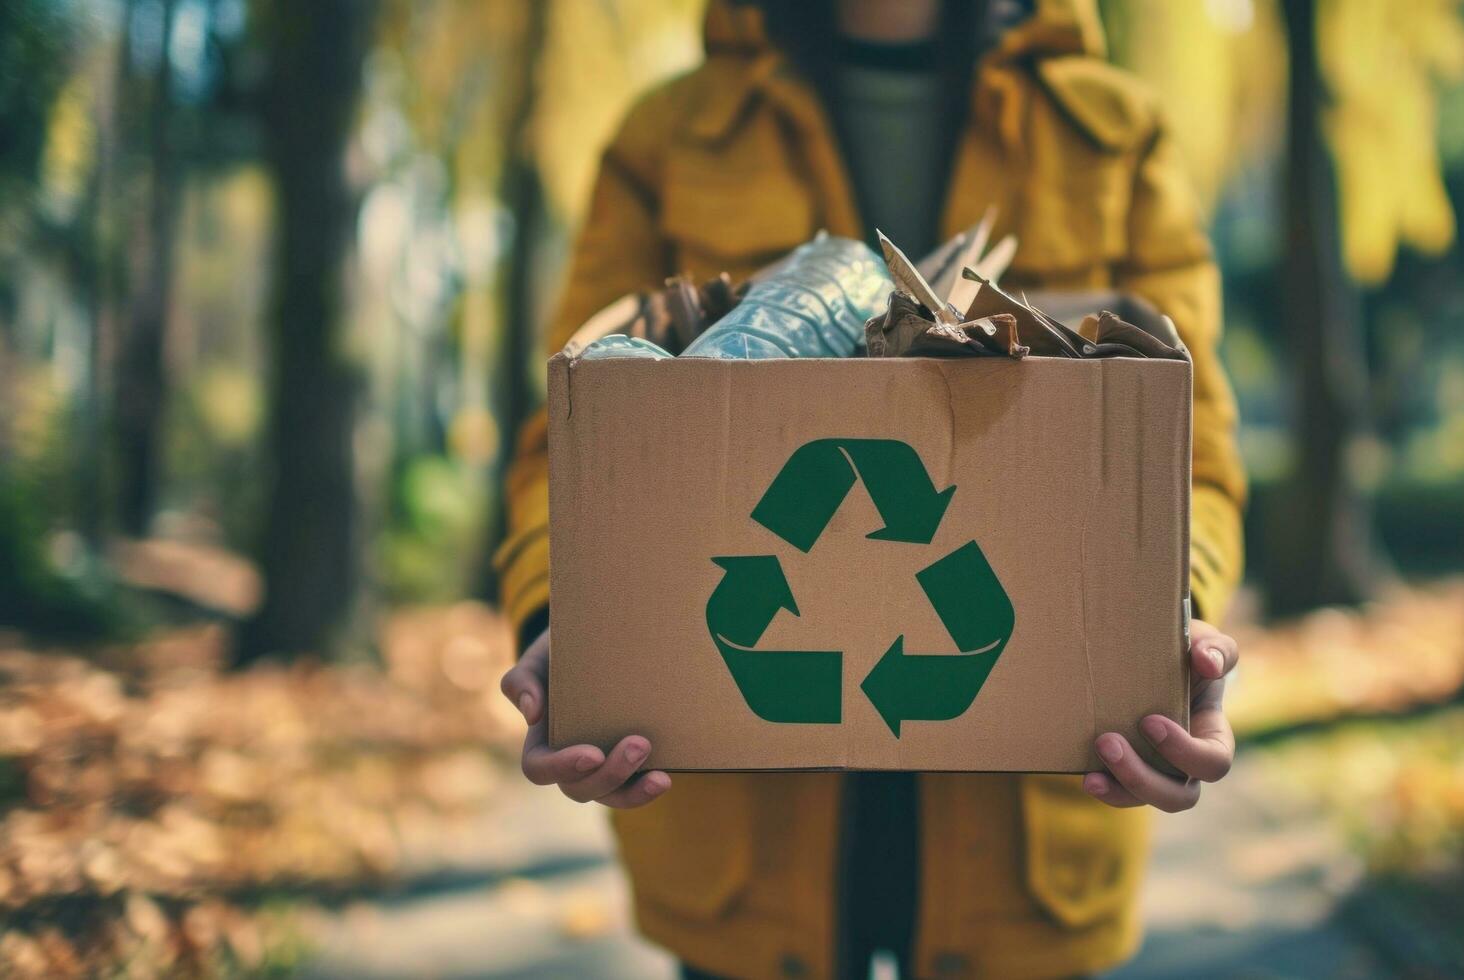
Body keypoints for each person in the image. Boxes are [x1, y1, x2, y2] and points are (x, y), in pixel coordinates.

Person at [495, 1, 1248, 977]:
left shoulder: (1114, 129)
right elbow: (572, 431)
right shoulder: (668, 135)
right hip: (738, 822)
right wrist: (567, 619)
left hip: (1032, 815)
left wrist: (1168, 622)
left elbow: (1190, 443)